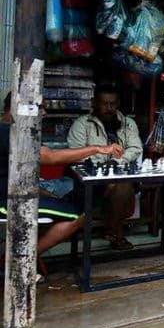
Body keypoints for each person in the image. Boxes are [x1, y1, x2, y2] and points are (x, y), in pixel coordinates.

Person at [1, 93, 124, 279]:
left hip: (12, 195)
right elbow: (50, 157)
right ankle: (16, 262)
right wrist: (98, 148)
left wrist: (44, 193)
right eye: (39, 107)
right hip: (7, 202)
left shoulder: (9, 130)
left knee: (61, 202)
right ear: (20, 107)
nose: (44, 112)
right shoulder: (11, 132)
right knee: (78, 215)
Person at [67, 85, 143, 250]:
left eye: (113, 104)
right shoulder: (82, 124)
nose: (109, 108)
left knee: (121, 185)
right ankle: (116, 231)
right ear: (95, 103)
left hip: (120, 173)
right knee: (115, 186)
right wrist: (99, 165)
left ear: (118, 104)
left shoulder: (127, 123)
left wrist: (116, 162)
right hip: (92, 178)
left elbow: (135, 148)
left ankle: (113, 229)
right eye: (104, 104)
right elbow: (76, 151)